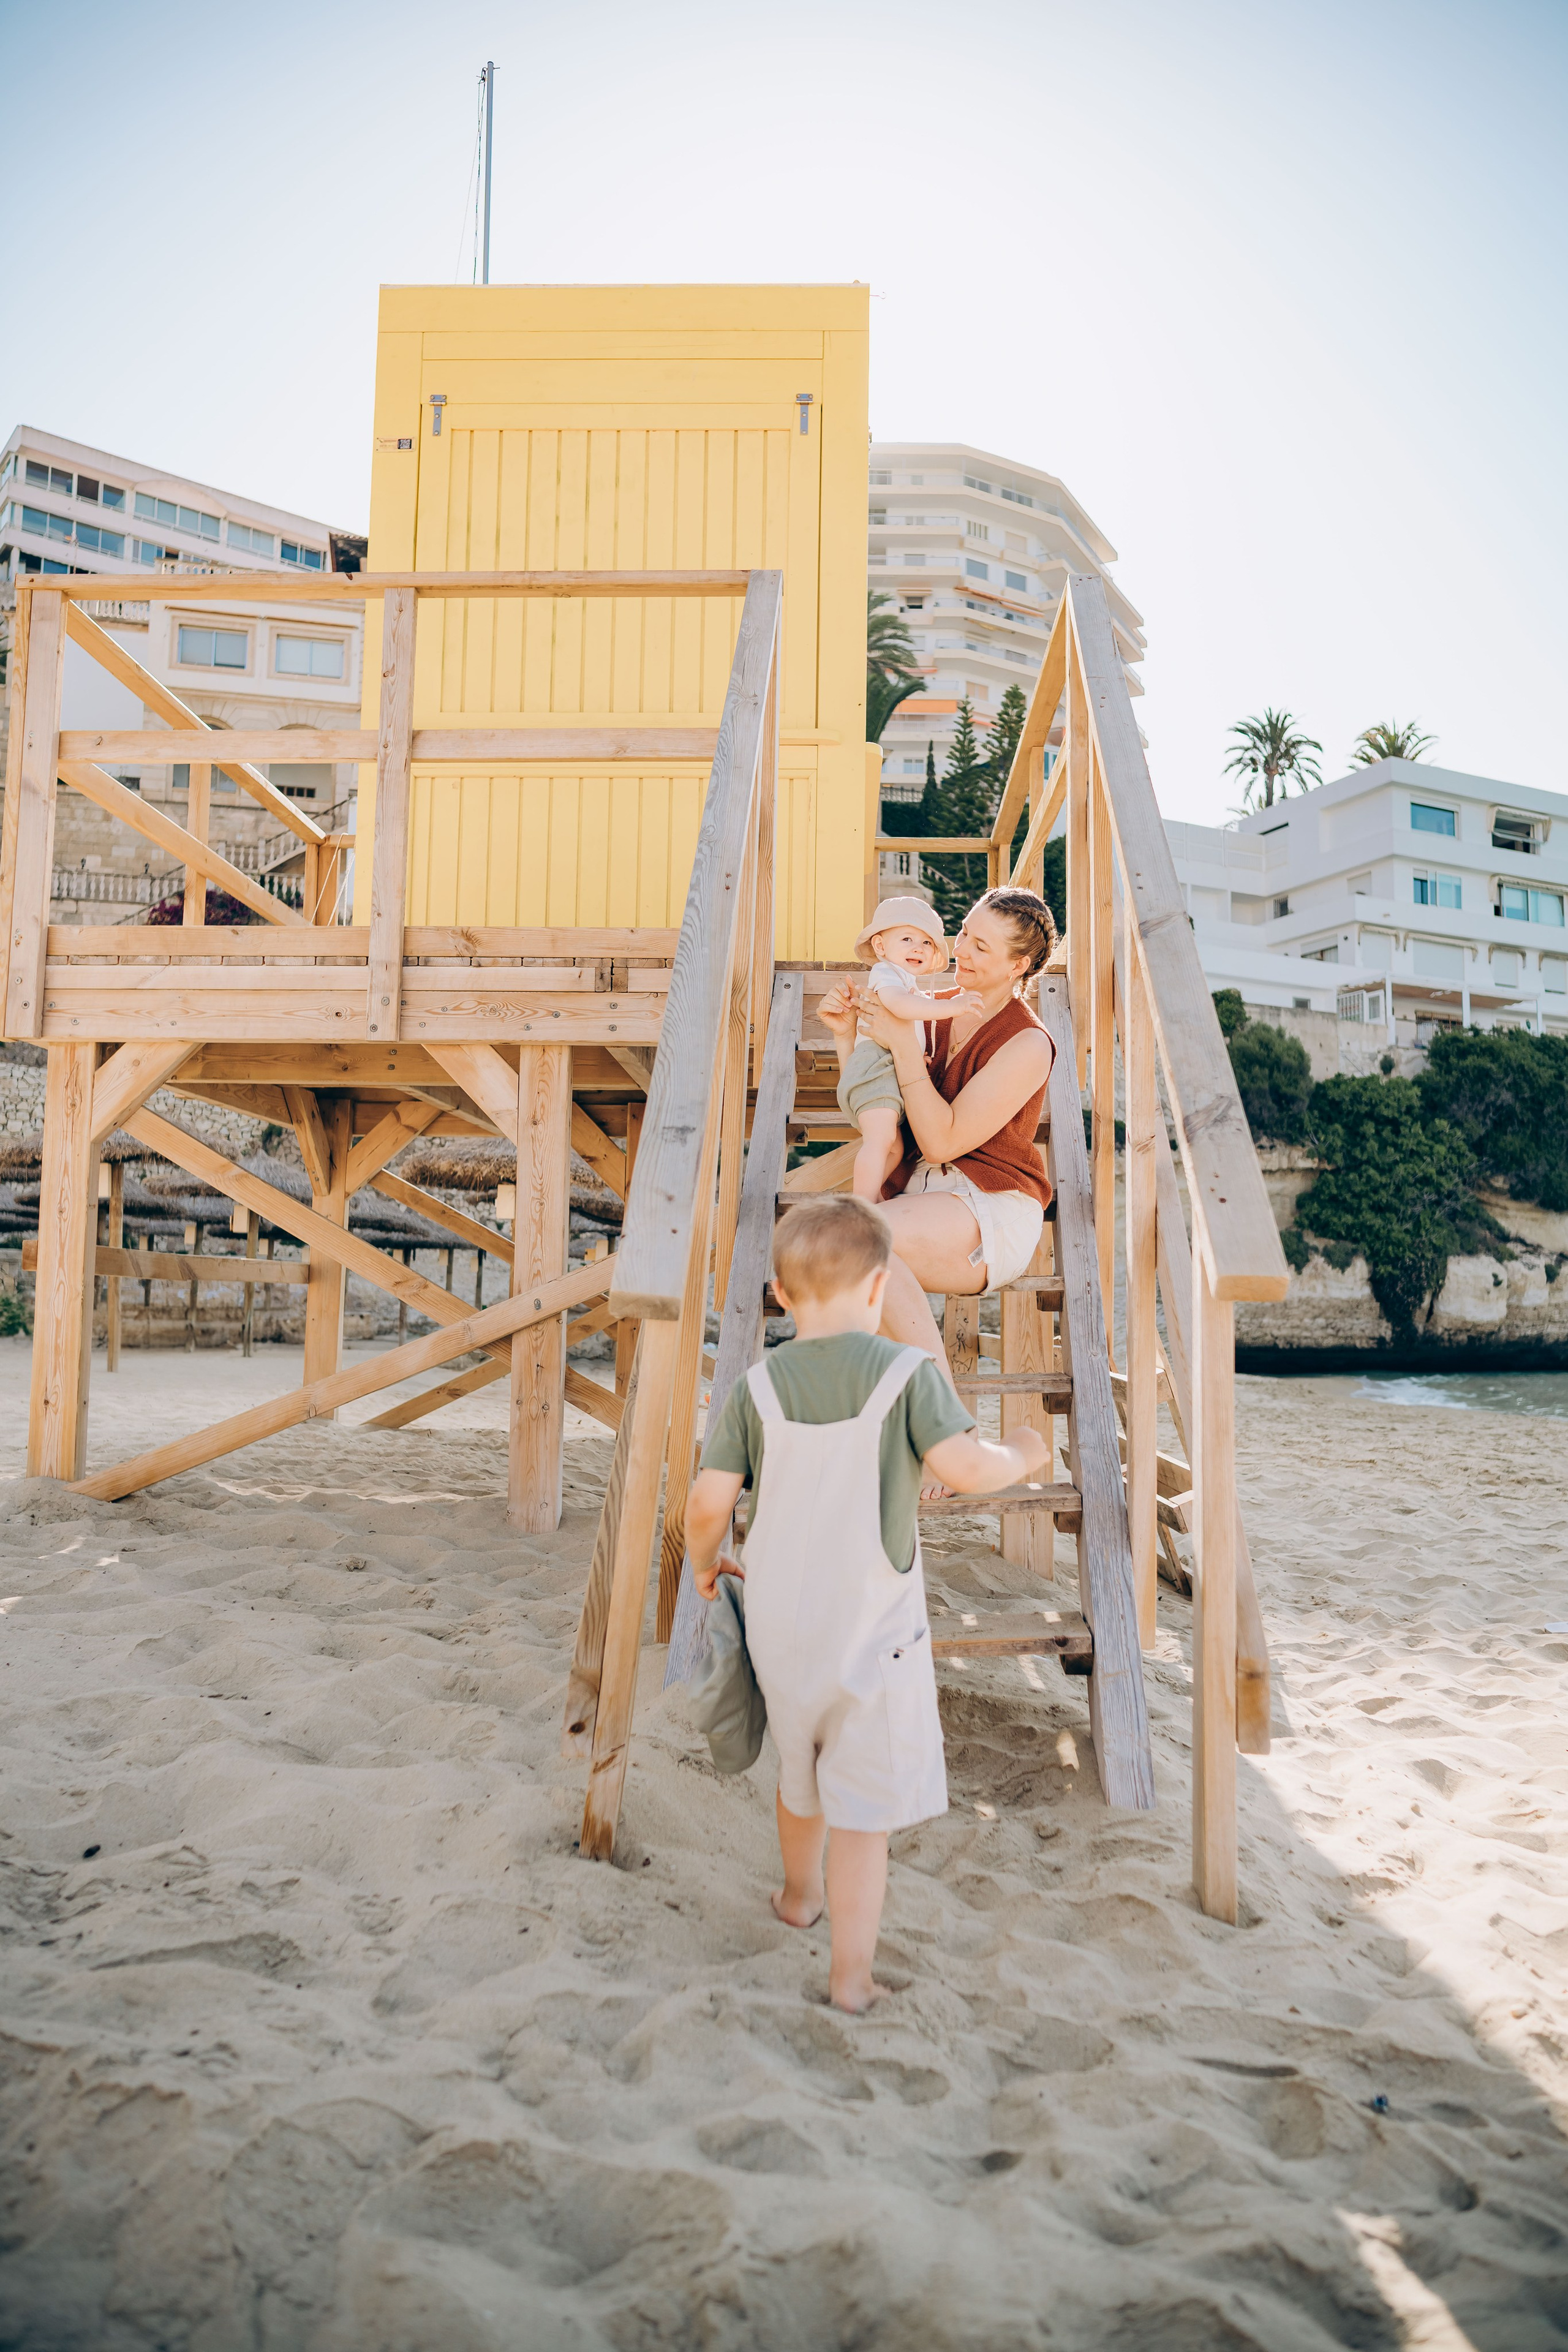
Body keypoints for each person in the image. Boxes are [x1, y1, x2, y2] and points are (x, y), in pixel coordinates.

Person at [685, 1194, 1051, 2014]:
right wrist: (1023, 1455)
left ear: (780, 1295)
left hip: (782, 1627)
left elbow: (709, 1504)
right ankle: (849, 1975)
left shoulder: (757, 1388)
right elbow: (964, 1469)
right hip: (876, 1636)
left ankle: (796, 1897)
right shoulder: (909, 1376)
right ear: (882, 1288)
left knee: (800, 1770)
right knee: (861, 1813)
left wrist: (704, 1564)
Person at [818, 887, 1058, 1412]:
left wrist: (904, 1044)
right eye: (965, 933)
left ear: (1018, 966)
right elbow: (881, 1100)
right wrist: (844, 1039)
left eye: (981, 947)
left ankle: (943, 1420)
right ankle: (890, 1424)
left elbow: (941, 1139)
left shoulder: (1028, 1042)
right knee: (847, 1252)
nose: (961, 951)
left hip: (991, 1207)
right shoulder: (933, 1006)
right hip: (926, 1193)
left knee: (865, 1240)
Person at [834, 896, 978, 1203]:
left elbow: (906, 1028)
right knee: (880, 1139)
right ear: (881, 947)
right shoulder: (887, 974)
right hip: (876, 1070)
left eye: (927, 942)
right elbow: (899, 1006)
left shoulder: (908, 982)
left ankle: (874, 1198)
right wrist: (952, 1006)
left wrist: (919, 1057)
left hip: (888, 1072)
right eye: (908, 939)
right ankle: (863, 1202)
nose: (918, 948)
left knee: (896, 1149)